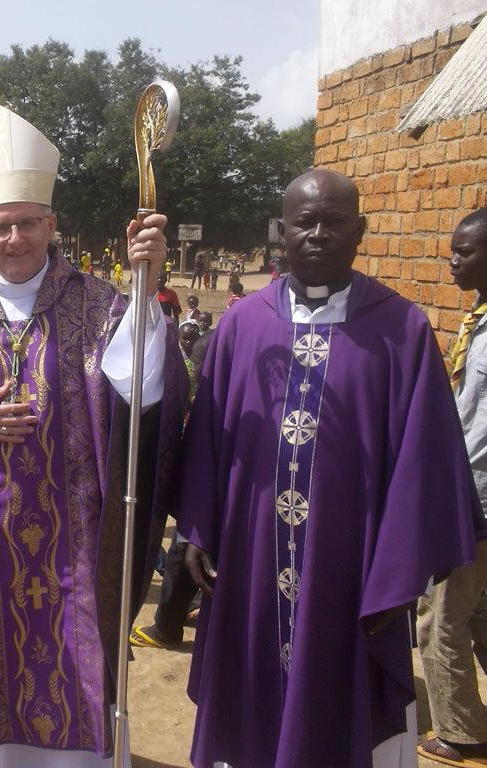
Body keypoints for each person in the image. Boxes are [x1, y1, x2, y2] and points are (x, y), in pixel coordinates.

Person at [0, 101, 187, 767]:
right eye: (0, 227)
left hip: (75, 543)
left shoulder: (102, 305)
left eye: (28, 223)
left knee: (76, 668)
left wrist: (147, 296)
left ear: (52, 224)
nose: (15, 238)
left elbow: (144, 396)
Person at [178, 169, 483, 767]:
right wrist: (197, 529)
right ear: (283, 231)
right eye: (305, 222)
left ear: (360, 230)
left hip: (350, 573)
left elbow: (425, 463)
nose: (318, 233)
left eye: (334, 222)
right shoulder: (241, 325)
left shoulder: (401, 330)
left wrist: (400, 575)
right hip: (251, 565)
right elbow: (208, 441)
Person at [417, 207, 487, 765]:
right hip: (467, 493)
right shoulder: (477, 320)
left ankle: (460, 733)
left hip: (474, 501)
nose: (453, 262)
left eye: (464, 252)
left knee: (439, 617)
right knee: (479, 614)